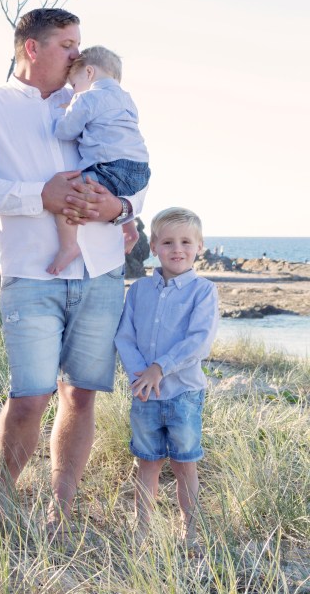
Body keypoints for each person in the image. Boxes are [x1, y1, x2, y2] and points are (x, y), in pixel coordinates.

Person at [0, 8, 145, 535]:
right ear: (32, 48)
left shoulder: (95, 96)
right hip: (31, 273)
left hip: (101, 270)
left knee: (80, 395)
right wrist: (40, 195)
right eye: (67, 44)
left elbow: (134, 162)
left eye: (79, 44)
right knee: (30, 396)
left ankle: (61, 510)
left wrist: (123, 209)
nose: (78, 54)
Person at [114, 207, 218, 547]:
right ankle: (141, 531)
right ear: (154, 246)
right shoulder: (139, 290)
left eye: (186, 242)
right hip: (145, 393)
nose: (177, 249)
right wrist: (141, 376)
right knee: (147, 463)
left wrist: (160, 367)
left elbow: (199, 341)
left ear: (199, 246)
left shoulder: (203, 291)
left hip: (183, 394)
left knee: (185, 464)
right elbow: (125, 336)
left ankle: (190, 533)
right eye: (168, 242)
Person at [48, 46, 150, 275]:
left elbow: (65, 131)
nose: (73, 91)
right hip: (140, 171)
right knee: (114, 192)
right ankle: (129, 228)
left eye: (74, 84)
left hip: (111, 166)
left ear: (89, 72)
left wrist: (66, 111)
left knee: (66, 194)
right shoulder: (127, 99)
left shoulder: (87, 98)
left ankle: (68, 246)